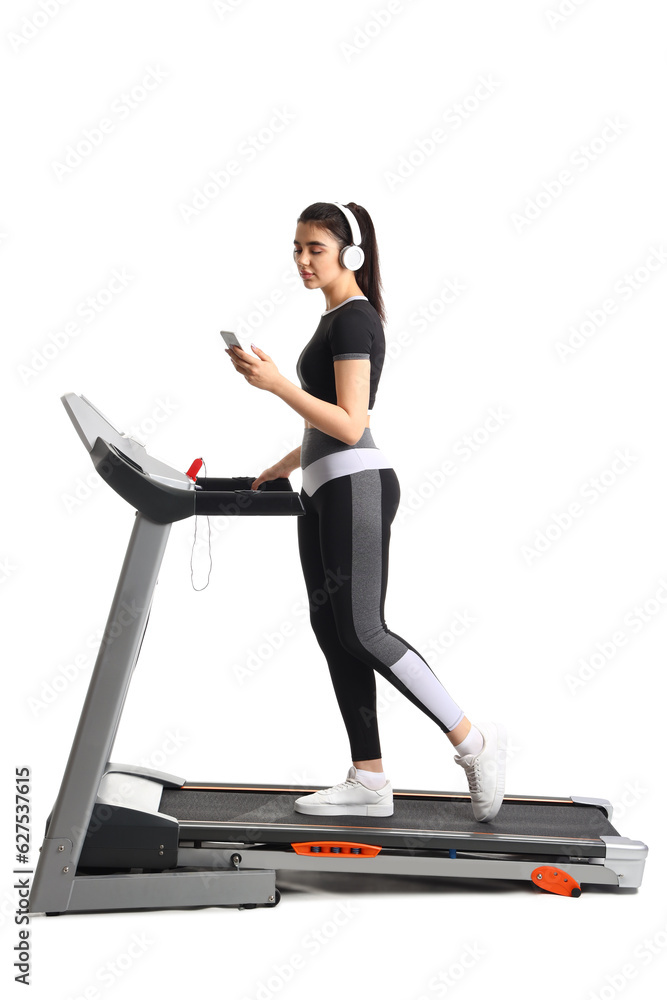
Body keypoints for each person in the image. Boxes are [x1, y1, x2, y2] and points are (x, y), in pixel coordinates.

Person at [224, 201, 506, 822]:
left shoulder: (354, 321)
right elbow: (325, 423)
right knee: (335, 636)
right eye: (295, 248)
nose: (301, 260)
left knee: (363, 631)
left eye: (314, 249)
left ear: (347, 254)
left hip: (357, 488)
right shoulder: (333, 320)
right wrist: (283, 466)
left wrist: (277, 385)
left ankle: (474, 742)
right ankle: (370, 779)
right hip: (324, 488)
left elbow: (352, 425)